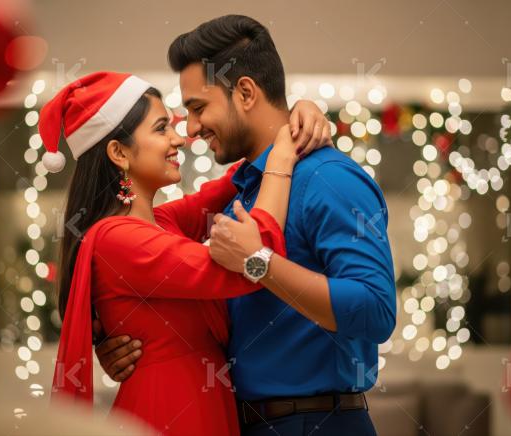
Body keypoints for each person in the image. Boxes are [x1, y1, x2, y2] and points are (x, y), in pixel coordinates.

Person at [97, 15, 397, 436]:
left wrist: (259, 263)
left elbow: (376, 310)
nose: (193, 129)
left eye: (198, 108)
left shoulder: (329, 178)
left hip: (317, 424)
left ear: (245, 92)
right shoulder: (244, 191)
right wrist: (121, 340)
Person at [41, 71, 332, 435]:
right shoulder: (119, 239)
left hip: (197, 405)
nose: (179, 138)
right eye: (162, 128)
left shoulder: (159, 222)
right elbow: (251, 263)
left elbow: (228, 184)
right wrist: (282, 161)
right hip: (168, 412)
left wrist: (295, 115)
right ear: (119, 152)